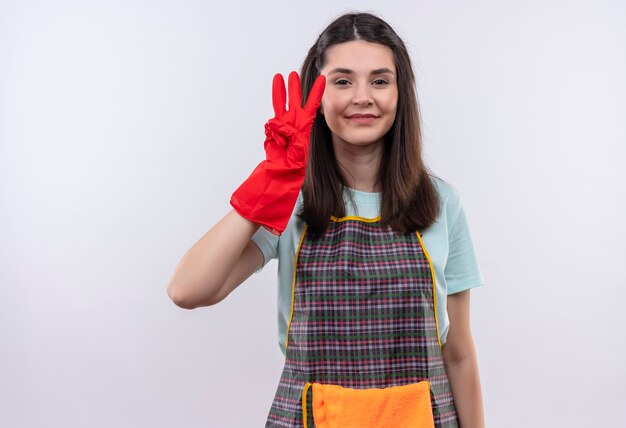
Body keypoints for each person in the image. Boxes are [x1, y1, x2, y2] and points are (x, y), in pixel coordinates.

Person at [168, 12, 485, 428]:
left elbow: (458, 351)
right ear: (314, 96)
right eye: (341, 81)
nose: (361, 96)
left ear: (400, 92)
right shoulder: (291, 203)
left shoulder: (442, 203)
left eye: (379, 80)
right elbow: (188, 290)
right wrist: (269, 183)